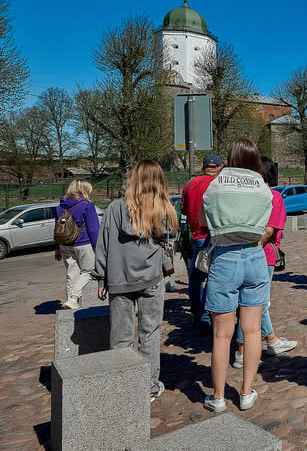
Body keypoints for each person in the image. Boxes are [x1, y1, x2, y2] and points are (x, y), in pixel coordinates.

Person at [93, 160, 176, 403]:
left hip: (119, 278)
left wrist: (100, 277)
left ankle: (122, 386)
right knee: (150, 334)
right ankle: (148, 387)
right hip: (151, 277)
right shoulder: (163, 209)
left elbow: (103, 244)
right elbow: (169, 242)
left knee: (120, 335)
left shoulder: (114, 208)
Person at [201, 139, 274, 413]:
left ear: (229, 158)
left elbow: (201, 217)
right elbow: (267, 219)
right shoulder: (261, 185)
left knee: (221, 334)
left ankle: (218, 397)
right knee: (253, 330)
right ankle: (246, 392)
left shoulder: (217, 184)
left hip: (225, 256)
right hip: (255, 256)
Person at [232, 156, 297, 368]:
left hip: (253, 251)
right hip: (262, 254)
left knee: (252, 302)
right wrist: (253, 247)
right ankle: (247, 349)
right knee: (254, 303)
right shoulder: (272, 196)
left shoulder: (250, 195)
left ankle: (270, 339)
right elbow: (269, 231)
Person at [181, 153, 223, 331]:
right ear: (219, 168)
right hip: (211, 237)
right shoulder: (217, 184)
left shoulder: (189, 184)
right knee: (212, 276)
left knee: (195, 277)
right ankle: (206, 316)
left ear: (203, 166)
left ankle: (196, 313)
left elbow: (183, 209)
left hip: (195, 236)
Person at [55, 179, 100, 310]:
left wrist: (56, 247)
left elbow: (56, 228)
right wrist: (97, 246)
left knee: (71, 272)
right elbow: (93, 229)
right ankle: (74, 298)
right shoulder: (87, 205)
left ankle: (70, 301)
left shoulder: (60, 206)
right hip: (83, 243)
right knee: (89, 271)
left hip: (64, 243)